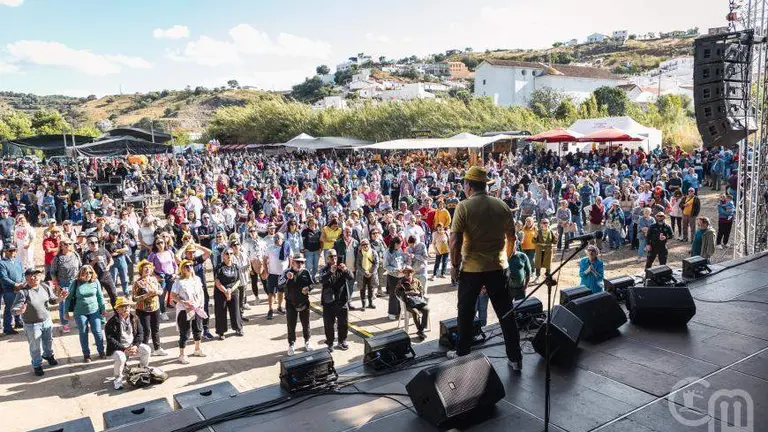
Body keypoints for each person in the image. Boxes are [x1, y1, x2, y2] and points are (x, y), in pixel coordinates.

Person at [449, 166, 521, 370]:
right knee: (506, 313)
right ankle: (515, 358)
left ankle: (462, 356)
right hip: (498, 268)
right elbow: (512, 238)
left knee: (465, 314)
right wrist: (505, 258)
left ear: (468, 186)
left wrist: (454, 265)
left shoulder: (463, 206)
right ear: (485, 185)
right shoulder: (502, 205)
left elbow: (455, 241)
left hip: (471, 269)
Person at [12, 268, 65, 376]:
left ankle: (48, 356)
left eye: (37, 275)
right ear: (27, 278)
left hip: (46, 320)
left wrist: (60, 298)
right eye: (32, 275)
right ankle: (37, 365)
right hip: (32, 325)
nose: (35, 277)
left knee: (48, 341)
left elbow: (52, 300)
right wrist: (20, 311)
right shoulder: (23, 292)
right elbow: (14, 310)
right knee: (35, 347)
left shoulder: (45, 287)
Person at [105, 297, 151, 390]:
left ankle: (142, 371)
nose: (125, 308)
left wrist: (135, 346)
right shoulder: (112, 322)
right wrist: (124, 349)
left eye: (127, 306)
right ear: (117, 309)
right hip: (117, 348)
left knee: (147, 349)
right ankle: (118, 379)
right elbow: (110, 339)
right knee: (121, 358)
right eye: (122, 306)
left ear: (130, 307)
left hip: (132, 346)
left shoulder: (135, 318)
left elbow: (140, 333)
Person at [64, 265, 107, 362]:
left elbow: (100, 296)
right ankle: (86, 355)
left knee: (97, 331)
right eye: (85, 272)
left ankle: (101, 351)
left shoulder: (95, 281)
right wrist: (66, 312)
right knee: (83, 332)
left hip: (94, 311)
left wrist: (103, 308)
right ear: (81, 273)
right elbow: (68, 298)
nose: (88, 274)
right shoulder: (75, 283)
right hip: (80, 312)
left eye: (90, 272)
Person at [171, 260, 207, 364]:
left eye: (190, 265)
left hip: (197, 308)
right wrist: (183, 302)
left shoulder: (197, 279)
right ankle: (181, 355)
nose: (189, 267)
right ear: (182, 269)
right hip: (184, 310)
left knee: (198, 329)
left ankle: (197, 349)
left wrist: (201, 304)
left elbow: (201, 292)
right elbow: (173, 296)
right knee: (185, 332)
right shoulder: (178, 282)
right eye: (186, 266)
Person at [280, 254, 315, 356]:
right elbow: (280, 284)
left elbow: (312, 284)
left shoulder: (305, 272)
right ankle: (291, 344)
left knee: (306, 324)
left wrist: (308, 288)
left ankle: (307, 341)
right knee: (291, 325)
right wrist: (286, 278)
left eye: (302, 262)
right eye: (298, 262)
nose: (300, 264)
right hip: (290, 303)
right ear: (292, 262)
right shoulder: (286, 272)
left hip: (304, 303)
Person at [320, 249, 354, 351]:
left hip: (341, 300)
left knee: (343, 323)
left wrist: (345, 269)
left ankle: (342, 341)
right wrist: (330, 272)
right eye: (331, 257)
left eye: (335, 256)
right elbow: (322, 280)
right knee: (329, 324)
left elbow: (351, 277)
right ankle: (330, 343)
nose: (334, 258)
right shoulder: (324, 269)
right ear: (327, 258)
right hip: (328, 302)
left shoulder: (341, 267)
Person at [131, 260, 166, 356]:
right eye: (145, 267)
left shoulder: (154, 279)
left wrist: (157, 292)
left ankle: (157, 348)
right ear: (141, 269)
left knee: (156, 329)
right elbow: (134, 298)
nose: (147, 269)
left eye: (149, 268)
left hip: (155, 307)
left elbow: (161, 289)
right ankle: (143, 351)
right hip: (143, 310)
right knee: (145, 331)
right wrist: (146, 295)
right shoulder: (137, 282)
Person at [50, 238, 81, 333]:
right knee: (63, 305)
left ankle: (79, 321)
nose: (68, 245)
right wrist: (56, 285)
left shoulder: (75, 255)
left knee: (77, 302)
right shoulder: (57, 258)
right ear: (61, 246)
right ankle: (65, 324)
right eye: (66, 244)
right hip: (63, 283)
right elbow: (53, 273)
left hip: (75, 281)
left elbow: (80, 267)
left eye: (70, 243)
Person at [213, 247, 243, 339]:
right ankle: (221, 332)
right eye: (227, 254)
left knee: (235, 311)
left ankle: (238, 328)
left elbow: (238, 280)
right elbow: (217, 282)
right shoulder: (219, 267)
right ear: (223, 256)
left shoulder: (236, 267)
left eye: (231, 253)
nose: (229, 255)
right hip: (221, 291)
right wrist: (226, 291)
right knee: (220, 311)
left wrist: (231, 290)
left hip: (233, 290)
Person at [82, 235, 119, 308]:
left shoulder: (103, 250)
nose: (95, 244)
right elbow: (86, 268)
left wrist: (109, 266)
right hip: (94, 279)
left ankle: (117, 312)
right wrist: (94, 261)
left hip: (106, 276)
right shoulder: (87, 254)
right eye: (92, 243)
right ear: (88, 244)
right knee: (97, 297)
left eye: (96, 242)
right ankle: (100, 313)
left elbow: (111, 260)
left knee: (114, 294)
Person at [146, 236, 177, 319]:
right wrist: (156, 276)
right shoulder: (153, 255)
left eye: (161, 242)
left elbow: (174, 264)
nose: (160, 244)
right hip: (160, 276)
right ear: (155, 245)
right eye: (158, 243)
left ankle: (180, 310)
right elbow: (148, 267)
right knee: (162, 295)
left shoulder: (170, 252)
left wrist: (175, 274)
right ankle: (163, 312)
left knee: (174, 293)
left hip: (171, 276)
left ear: (165, 243)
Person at [395, 266, 429, 340]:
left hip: (418, 301)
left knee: (426, 310)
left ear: (412, 273)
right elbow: (396, 292)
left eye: (410, 272)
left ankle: (421, 330)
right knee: (415, 312)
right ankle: (420, 331)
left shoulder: (416, 281)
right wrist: (406, 293)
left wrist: (419, 293)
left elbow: (422, 290)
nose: (408, 274)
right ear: (404, 273)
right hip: (409, 303)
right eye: (406, 272)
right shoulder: (401, 282)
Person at [0, 244, 25, 335]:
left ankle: (18, 322)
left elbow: (23, 274)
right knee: (9, 308)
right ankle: (7, 328)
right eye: (10, 251)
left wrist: (22, 283)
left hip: (20, 288)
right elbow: (3, 277)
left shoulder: (18, 261)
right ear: (5, 251)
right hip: (9, 289)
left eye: (14, 250)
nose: (12, 252)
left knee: (19, 305)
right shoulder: (2, 263)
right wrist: (15, 284)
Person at [333, 226, 359, 310]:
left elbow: (358, 255)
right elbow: (334, 255)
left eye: (350, 232)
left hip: (352, 269)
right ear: (343, 232)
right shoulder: (338, 243)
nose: (348, 233)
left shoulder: (356, 242)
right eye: (346, 232)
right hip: (342, 269)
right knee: (341, 286)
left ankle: (349, 301)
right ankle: (341, 302)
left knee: (351, 286)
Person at [265, 232, 289, 319]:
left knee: (281, 292)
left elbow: (291, 258)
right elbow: (264, 259)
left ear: (282, 239)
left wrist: (289, 271)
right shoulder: (270, 247)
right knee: (271, 293)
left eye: (278, 238)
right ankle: (270, 309)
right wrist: (266, 271)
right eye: (275, 238)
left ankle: (279, 307)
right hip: (272, 274)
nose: (276, 239)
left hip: (282, 275)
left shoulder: (287, 247)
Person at [384, 236, 407, 320]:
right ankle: (392, 313)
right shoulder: (388, 252)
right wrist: (396, 270)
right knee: (393, 295)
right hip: (393, 277)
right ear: (395, 244)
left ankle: (400, 312)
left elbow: (403, 261)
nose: (401, 246)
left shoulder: (400, 250)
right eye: (400, 244)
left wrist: (404, 267)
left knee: (401, 295)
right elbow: (385, 266)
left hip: (401, 276)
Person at [355, 238, 378, 309]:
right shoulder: (359, 253)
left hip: (371, 274)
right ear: (361, 246)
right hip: (362, 274)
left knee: (371, 289)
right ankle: (363, 304)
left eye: (366, 244)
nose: (365, 246)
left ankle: (370, 303)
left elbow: (376, 263)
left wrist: (371, 272)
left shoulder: (373, 252)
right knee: (362, 289)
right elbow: (358, 265)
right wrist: (364, 272)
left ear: (369, 244)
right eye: (363, 244)